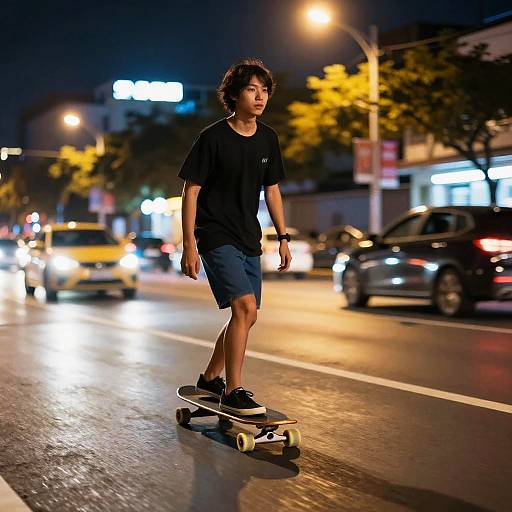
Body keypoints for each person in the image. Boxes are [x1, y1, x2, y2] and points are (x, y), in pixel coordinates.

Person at [178, 58, 292, 415]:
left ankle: (211, 377)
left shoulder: (268, 138)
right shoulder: (212, 138)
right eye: (251, 89)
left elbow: (271, 190)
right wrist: (189, 244)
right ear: (234, 94)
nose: (260, 97)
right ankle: (233, 389)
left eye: (264, 91)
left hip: (248, 236)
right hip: (214, 233)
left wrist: (284, 237)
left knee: (248, 314)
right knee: (244, 307)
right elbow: (191, 190)